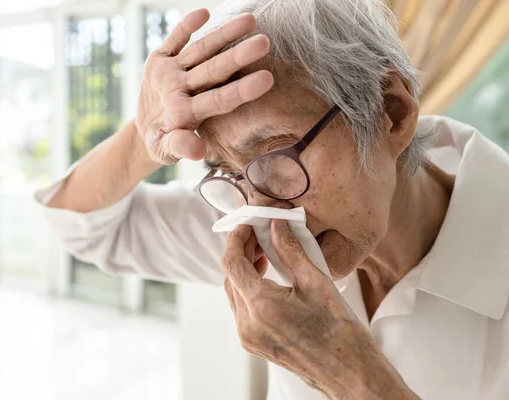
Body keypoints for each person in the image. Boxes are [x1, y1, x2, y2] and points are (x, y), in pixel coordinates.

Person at [36, 0, 509, 399]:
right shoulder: (259, 223)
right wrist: (143, 138)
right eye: (224, 170)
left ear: (391, 112)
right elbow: (84, 226)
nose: (260, 205)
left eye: (274, 155)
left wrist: (350, 375)